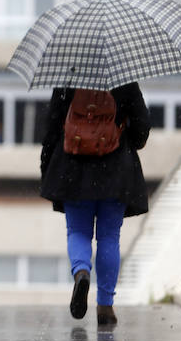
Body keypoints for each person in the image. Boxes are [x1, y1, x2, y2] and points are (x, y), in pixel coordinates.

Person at [40, 82, 150, 325]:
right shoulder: (125, 80)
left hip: (73, 169)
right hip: (116, 171)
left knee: (78, 231)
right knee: (109, 237)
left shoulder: (67, 79)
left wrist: (47, 167)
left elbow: (50, 128)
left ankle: (82, 272)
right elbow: (142, 131)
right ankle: (105, 306)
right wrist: (123, 130)